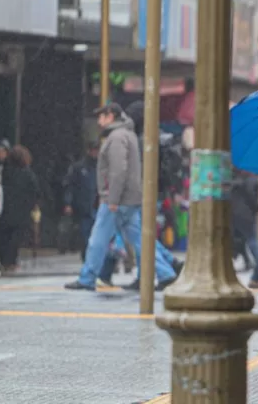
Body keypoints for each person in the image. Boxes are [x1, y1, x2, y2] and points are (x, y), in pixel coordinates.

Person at [66, 104, 178, 291]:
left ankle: (87, 278)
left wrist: (113, 199)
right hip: (130, 198)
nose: (99, 120)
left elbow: (118, 171)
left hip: (117, 199)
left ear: (111, 116)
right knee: (140, 239)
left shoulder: (117, 137)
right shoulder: (128, 135)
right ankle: (166, 272)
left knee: (98, 238)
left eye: (101, 116)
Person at [0, 145, 40, 272]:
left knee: (4, 235)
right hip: (21, 210)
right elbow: (35, 191)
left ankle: (3, 261)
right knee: (15, 237)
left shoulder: (5, 171)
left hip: (5, 208)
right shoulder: (28, 173)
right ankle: (11, 261)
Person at [63, 142, 99, 261]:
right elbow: (70, 186)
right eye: (94, 150)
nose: (95, 153)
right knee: (85, 234)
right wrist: (68, 203)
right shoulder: (79, 167)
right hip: (84, 206)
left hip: (97, 205)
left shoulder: (100, 167)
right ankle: (87, 256)